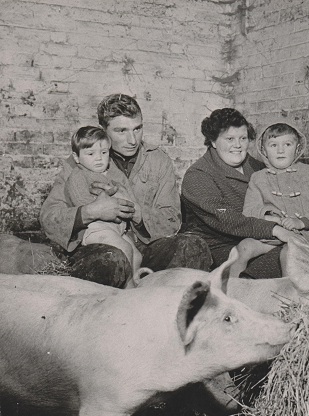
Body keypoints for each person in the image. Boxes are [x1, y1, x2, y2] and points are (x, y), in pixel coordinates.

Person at [40, 94, 212, 288]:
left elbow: (171, 219)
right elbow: (49, 217)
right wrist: (91, 212)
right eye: (121, 131)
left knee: (192, 247)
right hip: (101, 246)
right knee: (113, 258)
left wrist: (136, 211)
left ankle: (171, 313)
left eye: (137, 129)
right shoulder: (83, 161)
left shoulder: (157, 160)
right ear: (103, 130)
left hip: (144, 246)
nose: (132, 140)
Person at [181, 108, 302, 279]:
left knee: (301, 253)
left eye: (243, 138)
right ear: (213, 141)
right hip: (220, 246)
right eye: (230, 139)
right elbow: (228, 219)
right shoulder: (198, 176)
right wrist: (274, 229)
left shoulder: (258, 168)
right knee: (286, 261)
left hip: (261, 238)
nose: (237, 145)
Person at [234, 122, 309, 275]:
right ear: (264, 150)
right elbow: (249, 211)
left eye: (287, 144)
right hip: (272, 235)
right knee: (243, 248)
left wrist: (300, 222)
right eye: (273, 145)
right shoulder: (258, 178)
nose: (280, 150)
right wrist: (272, 218)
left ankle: (290, 296)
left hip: (305, 235)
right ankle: (234, 291)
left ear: (297, 148)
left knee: (289, 253)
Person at [65, 126, 142, 287]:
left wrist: (125, 198)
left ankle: (135, 282)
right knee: (124, 250)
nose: (99, 158)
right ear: (77, 157)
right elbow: (81, 201)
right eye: (91, 154)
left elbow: (129, 197)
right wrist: (104, 200)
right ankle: (127, 288)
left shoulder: (115, 174)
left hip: (118, 228)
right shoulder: (78, 175)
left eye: (104, 153)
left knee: (137, 255)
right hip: (96, 229)